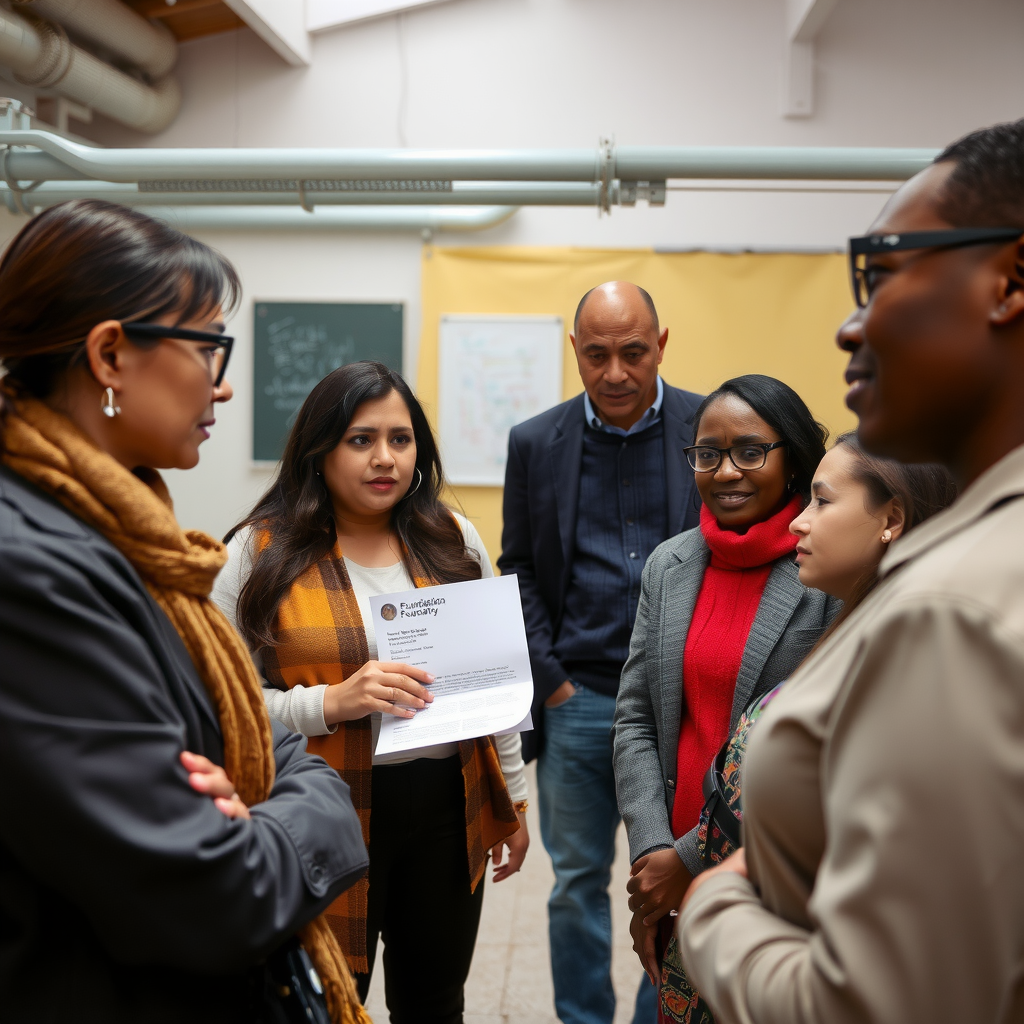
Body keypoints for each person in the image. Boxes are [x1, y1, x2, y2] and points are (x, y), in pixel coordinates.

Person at [678, 117, 1024, 1024]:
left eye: (882, 277)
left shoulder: (957, 606)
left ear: (1009, 282)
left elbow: (874, 1002)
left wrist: (716, 905)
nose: (849, 326)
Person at [0, 200, 369, 1024]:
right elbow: (209, 892)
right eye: (208, 346)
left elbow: (272, 751)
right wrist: (310, 811)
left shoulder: (132, 542)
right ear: (109, 355)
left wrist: (269, 799)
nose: (226, 380)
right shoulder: (32, 570)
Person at [213, 360, 528, 1024]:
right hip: (318, 806)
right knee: (327, 998)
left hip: (446, 807)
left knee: (435, 999)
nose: (384, 458)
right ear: (318, 449)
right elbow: (221, 710)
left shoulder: (453, 539)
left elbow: (492, 679)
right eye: (360, 439)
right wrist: (331, 702)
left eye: (401, 438)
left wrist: (516, 796)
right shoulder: (256, 553)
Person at [653, 432, 956, 1023]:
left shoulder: (897, 668)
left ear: (891, 518)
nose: (799, 522)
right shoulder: (856, 636)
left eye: (822, 501)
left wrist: (715, 897)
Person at [499, 281, 703, 1024]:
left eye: (632, 352)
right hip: (578, 700)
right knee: (578, 882)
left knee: (675, 878)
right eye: (596, 355)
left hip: (683, 702)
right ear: (575, 353)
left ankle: (661, 1014)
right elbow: (516, 567)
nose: (614, 373)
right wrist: (548, 682)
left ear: (661, 345)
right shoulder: (535, 442)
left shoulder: (706, 426)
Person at [612, 374, 839, 1021]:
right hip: (667, 862)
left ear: (792, 457)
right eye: (707, 454)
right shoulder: (670, 564)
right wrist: (654, 848)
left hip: (767, 865)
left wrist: (689, 859)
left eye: (749, 451)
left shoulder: (823, 570)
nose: (725, 471)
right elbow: (634, 719)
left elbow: (817, 751)